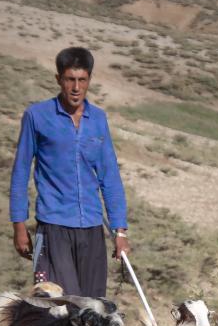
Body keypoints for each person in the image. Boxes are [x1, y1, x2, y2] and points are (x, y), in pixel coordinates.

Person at [9, 47, 130, 297]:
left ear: (89, 81)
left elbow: (110, 176)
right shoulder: (37, 116)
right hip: (54, 226)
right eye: (70, 79)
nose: (76, 87)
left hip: (92, 228)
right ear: (58, 80)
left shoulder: (98, 119)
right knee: (61, 304)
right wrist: (19, 226)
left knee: (93, 306)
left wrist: (120, 231)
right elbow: (20, 172)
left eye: (82, 80)